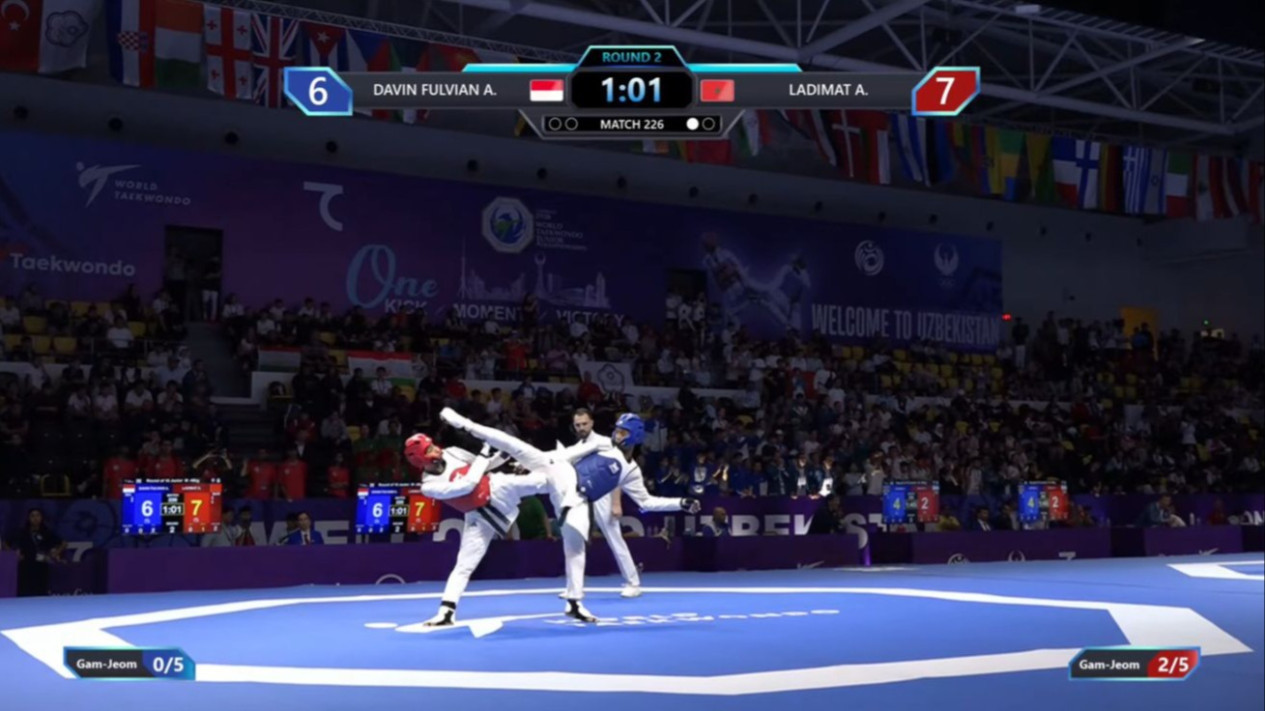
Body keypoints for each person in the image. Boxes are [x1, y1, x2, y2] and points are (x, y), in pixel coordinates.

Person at [438, 407, 606, 623]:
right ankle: (446, 610)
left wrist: (499, 458)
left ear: (592, 422)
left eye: (584, 424)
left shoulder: (603, 444)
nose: (581, 427)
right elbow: (470, 482)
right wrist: (491, 454)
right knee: (465, 563)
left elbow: (488, 464)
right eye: (577, 425)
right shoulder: (430, 483)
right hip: (486, 508)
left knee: (575, 543)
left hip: (528, 487)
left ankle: (574, 601)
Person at [407, 437, 554, 627]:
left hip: (497, 488)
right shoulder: (429, 487)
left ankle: (576, 479)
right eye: (429, 449)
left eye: (432, 445)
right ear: (420, 459)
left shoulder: (452, 451)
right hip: (478, 517)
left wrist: (503, 453)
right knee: (463, 566)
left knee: (542, 482)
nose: (436, 448)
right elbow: (467, 485)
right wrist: (484, 452)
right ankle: (446, 612)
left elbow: (484, 465)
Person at [562, 408, 698, 598]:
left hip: (603, 494)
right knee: (572, 538)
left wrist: (680, 502)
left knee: (614, 537)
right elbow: (566, 457)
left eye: (623, 432)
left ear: (635, 436)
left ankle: (633, 582)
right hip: (575, 490)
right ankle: (573, 588)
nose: (617, 436)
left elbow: (646, 502)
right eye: (617, 431)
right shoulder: (602, 444)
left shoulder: (632, 470)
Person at [4, 508, 66, 596]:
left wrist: (54, 554)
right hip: (25, 566)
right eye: (32, 516)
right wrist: (13, 555)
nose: (35, 518)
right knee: (24, 592)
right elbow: (5, 543)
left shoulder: (46, 532)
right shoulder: (22, 532)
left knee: (41, 592)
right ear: (28, 518)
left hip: (41, 566)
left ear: (41, 517)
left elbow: (63, 543)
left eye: (38, 515)